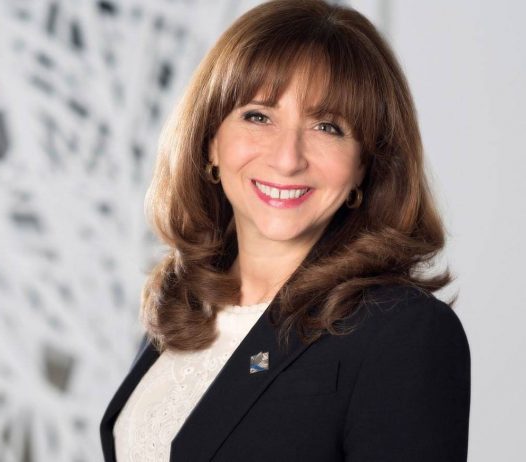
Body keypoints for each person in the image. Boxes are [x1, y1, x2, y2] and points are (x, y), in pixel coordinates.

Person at [100, 0, 471, 461]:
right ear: (211, 140)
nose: (288, 158)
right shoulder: (183, 304)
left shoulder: (403, 334)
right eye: (259, 116)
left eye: (327, 126)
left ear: (364, 166)